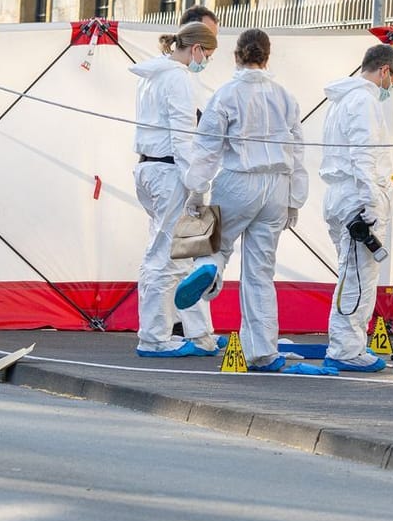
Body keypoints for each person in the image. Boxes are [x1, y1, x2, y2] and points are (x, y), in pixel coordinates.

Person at [176, 29, 308, 371]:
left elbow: (207, 150)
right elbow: (298, 150)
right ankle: (263, 351)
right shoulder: (286, 97)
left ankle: (208, 267)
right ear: (267, 57)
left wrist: (196, 190)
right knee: (261, 271)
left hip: (238, 179)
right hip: (277, 185)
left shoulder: (225, 95)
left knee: (212, 244)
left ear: (236, 56)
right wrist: (294, 200)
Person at [128, 20, 218, 357]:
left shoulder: (152, 77)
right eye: (207, 54)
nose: (205, 61)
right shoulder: (179, 79)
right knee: (167, 256)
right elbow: (183, 136)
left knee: (164, 253)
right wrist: (197, 186)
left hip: (148, 168)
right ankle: (154, 337)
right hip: (170, 172)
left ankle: (188, 333)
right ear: (195, 49)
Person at [317, 43, 393, 373]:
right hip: (357, 198)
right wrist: (371, 201)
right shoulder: (364, 101)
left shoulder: (341, 101)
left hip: (341, 195)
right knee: (357, 278)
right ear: (385, 70)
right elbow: (363, 156)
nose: (391, 88)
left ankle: (345, 344)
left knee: (349, 273)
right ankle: (346, 348)